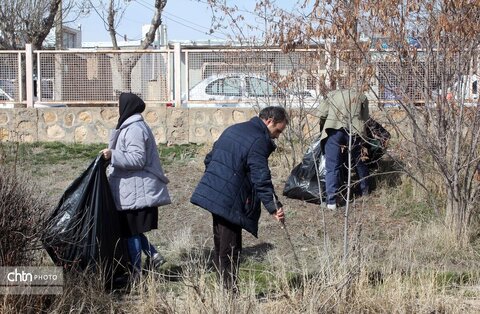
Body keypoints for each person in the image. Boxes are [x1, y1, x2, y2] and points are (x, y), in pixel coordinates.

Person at [190, 106, 287, 292]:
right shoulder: (258, 140)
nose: (277, 136)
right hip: (229, 197)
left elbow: (210, 159)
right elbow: (261, 177)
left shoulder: (234, 129)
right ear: (269, 121)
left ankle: (224, 291)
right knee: (230, 248)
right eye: (277, 131)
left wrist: (219, 180)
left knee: (222, 244)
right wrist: (274, 207)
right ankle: (229, 294)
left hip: (217, 192)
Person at [100, 92, 171, 282]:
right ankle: (153, 256)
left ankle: (136, 275)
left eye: (119, 105)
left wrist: (112, 155)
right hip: (132, 189)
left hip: (136, 190)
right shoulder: (131, 126)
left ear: (127, 107)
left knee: (130, 232)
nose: (117, 109)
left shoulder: (134, 129)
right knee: (131, 230)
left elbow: (137, 159)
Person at [319, 87, 370, 210]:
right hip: (355, 132)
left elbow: (322, 114)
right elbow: (365, 118)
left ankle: (331, 202)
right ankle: (365, 192)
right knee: (359, 162)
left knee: (332, 166)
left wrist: (322, 128)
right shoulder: (361, 96)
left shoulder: (331, 95)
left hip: (334, 131)